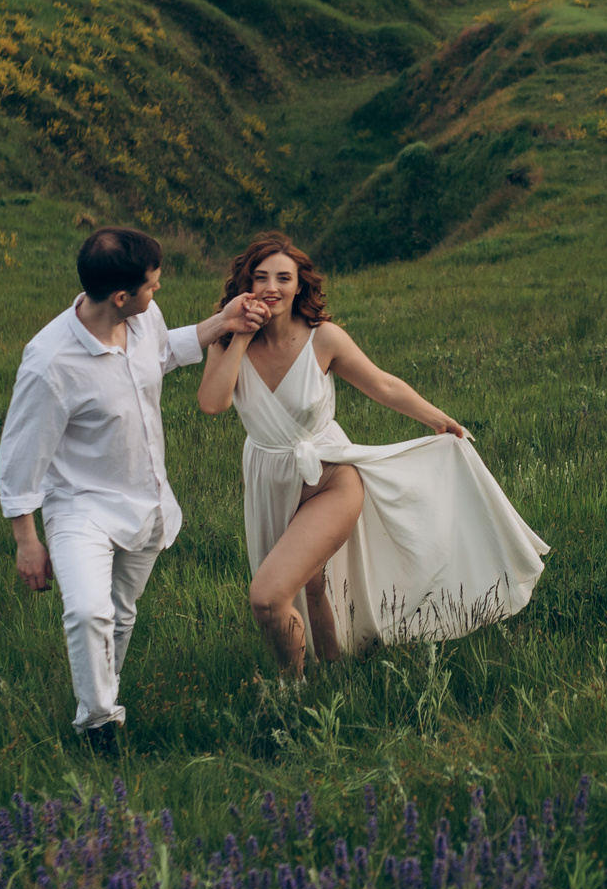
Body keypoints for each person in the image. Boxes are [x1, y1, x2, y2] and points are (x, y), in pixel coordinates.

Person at [196, 232, 549, 677]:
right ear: (245, 284)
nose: (272, 287)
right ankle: (334, 675)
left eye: (283, 278)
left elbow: (382, 385)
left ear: (299, 285)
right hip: (270, 480)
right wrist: (241, 338)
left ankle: (290, 691)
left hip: (331, 479)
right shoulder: (225, 341)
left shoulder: (323, 339)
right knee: (311, 584)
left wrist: (439, 420)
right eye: (260, 277)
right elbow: (212, 403)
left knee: (267, 596)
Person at [0, 226, 264, 753]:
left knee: (120, 613)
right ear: (122, 297)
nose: (158, 291)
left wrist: (221, 324)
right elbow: (21, 452)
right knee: (88, 612)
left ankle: (104, 700)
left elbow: (160, 355)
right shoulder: (51, 363)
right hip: (81, 507)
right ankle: (98, 724)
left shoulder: (142, 321)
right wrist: (27, 540)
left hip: (146, 499)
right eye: (153, 284)